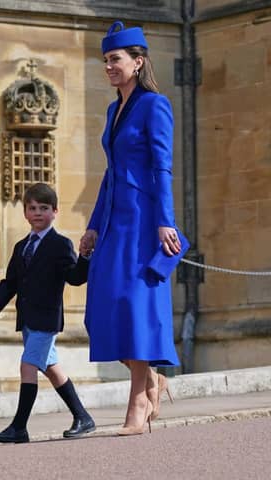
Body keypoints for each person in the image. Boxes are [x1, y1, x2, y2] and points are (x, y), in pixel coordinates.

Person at [79, 21, 180, 436]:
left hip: (143, 222)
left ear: (138, 62)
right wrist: (92, 226)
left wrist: (165, 222)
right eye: (105, 60)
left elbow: (162, 167)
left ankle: (138, 401)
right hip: (113, 222)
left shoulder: (154, 105)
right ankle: (154, 377)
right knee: (103, 308)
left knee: (135, 309)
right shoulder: (112, 110)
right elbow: (110, 173)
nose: (109, 66)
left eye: (115, 59)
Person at [0, 183, 94, 444]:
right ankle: (83, 417)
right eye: (32, 208)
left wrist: (85, 257)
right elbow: (10, 283)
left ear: (55, 212)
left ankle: (19, 427)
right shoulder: (21, 246)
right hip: (27, 319)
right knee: (51, 368)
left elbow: (75, 277)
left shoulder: (60, 244)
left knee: (28, 365)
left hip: (46, 320)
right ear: (25, 213)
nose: (37, 213)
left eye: (44, 208)